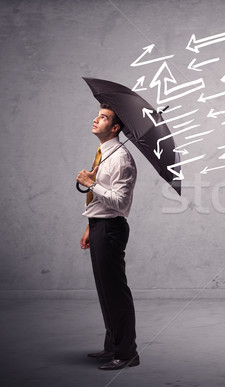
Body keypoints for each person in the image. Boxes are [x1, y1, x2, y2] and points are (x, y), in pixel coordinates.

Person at [76, 102, 139, 370]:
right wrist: (91, 225)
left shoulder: (121, 158)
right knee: (105, 291)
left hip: (112, 230)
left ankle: (127, 354)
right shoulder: (104, 152)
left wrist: (91, 184)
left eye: (103, 118)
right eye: (97, 115)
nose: (95, 119)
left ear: (115, 127)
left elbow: (121, 204)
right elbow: (104, 199)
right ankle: (111, 347)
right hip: (100, 226)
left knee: (115, 292)